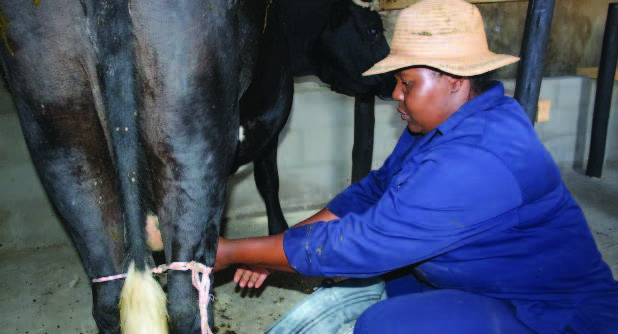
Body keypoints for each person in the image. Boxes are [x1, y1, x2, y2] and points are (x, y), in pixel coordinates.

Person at [210, 0, 618, 332]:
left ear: (454, 80)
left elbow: (363, 242)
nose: (396, 95)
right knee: (380, 277)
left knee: (382, 325)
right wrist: (276, 248)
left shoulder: (479, 157)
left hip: (547, 311)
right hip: (484, 276)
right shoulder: (441, 123)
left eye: (407, 83)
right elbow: (372, 191)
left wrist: (231, 250)